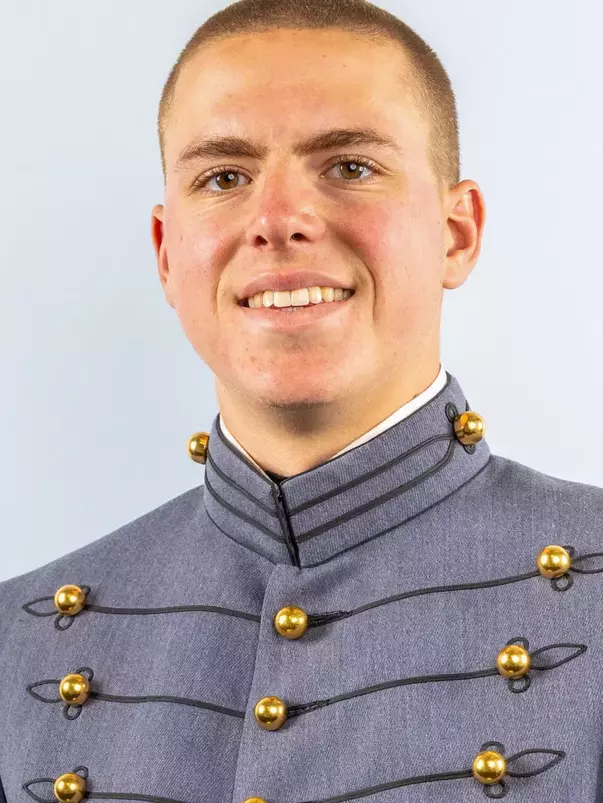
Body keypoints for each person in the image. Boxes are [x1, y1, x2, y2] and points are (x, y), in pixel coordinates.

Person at [1, 1, 602, 801]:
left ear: (455, 233)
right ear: (166, 254)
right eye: (224, 177)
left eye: (349, 166)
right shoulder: (17, 640)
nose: (277, 220)